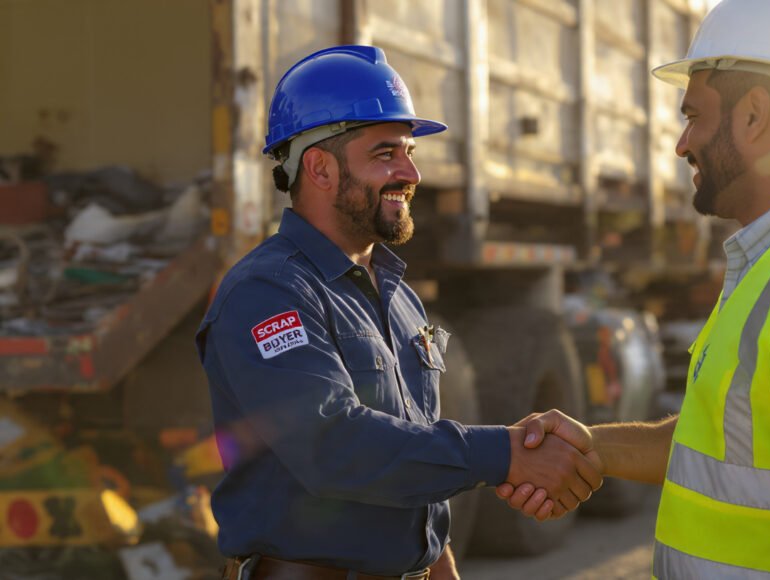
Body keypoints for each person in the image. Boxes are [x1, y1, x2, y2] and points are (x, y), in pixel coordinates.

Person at [498, 0, 770, 578]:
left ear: (754, 115)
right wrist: (592, 447)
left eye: (695, 115)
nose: (683, 144)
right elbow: (730, 442)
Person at [195, 45, 602, 580]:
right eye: (385, 153)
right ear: (317, 167)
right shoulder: (268, 291)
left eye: (410, 151)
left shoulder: (400, 298)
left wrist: (439, 561)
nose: (410, 171)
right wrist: (504, 452)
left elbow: (411, 452)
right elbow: (333, 445)